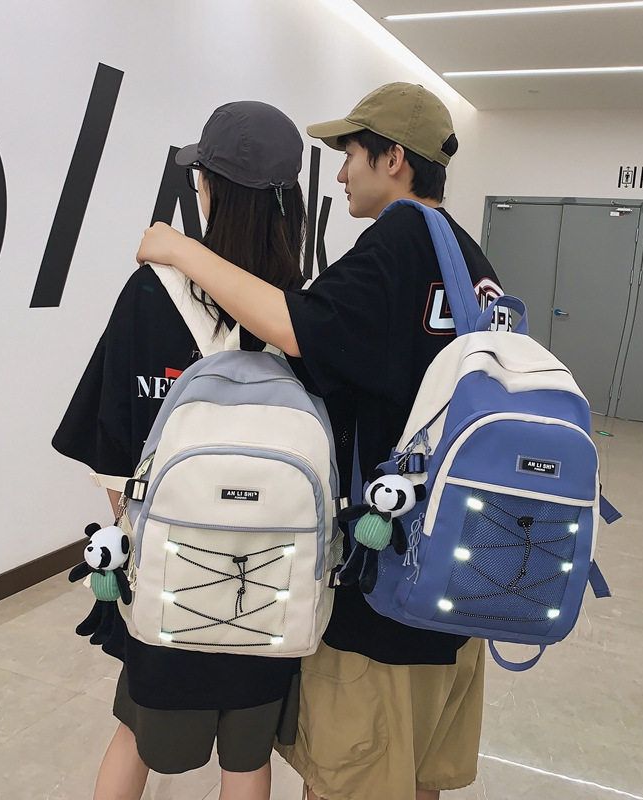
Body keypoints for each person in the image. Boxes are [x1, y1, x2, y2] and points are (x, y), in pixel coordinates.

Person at [135, 82, 506, 800]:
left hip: (384, 588)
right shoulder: (467, 260)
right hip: (456, 583)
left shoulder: (398, 241)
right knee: (418, 776)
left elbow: (292, 326)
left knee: (348, 778)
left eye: (352, 155)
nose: (340, 174)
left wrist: (181, 248)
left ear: (394, 159)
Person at [53, 100, 307, 800]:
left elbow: (113, 455)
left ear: (208, 188)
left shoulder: (150, 293)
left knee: (134, 732)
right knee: (247, 758)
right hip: (269, 577)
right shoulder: (300, 309)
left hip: (170, 575)